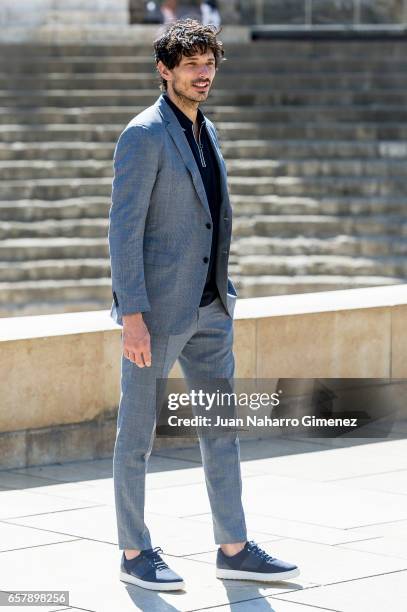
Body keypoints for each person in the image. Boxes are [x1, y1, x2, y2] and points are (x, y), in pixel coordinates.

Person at [108, 17, 300, 591]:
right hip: (159, 312)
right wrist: (133, 316)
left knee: (221, 428)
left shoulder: (206, 130)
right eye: (191, 64)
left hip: (212, 307)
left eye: (209, 63)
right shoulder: (143, 135)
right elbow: (124, 230)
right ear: (164, 70)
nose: (203, 73)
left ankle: (233, 547)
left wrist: (222, 292)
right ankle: (133, 551)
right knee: (136, 436)